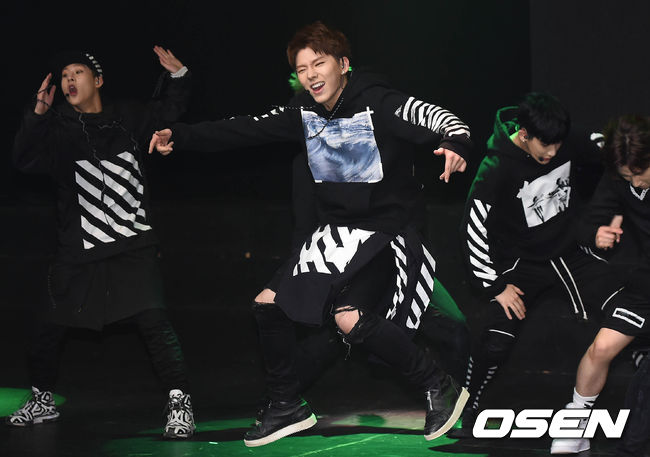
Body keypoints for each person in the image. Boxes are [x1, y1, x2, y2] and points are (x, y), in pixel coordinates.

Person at [150, 21, 472, 447]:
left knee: (351, 318)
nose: (311, 76)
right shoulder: (302, 113)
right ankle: (287, 404)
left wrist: (456, 142)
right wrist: (181, 135)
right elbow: (244, 128)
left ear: (343, 64)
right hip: (337, 234)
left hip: (387, 232)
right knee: (269, 304)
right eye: (302, 69)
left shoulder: (379, 100)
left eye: (318, 64)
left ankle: (438, 385)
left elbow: (436, 116)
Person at [8, 47, 195, 439]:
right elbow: (23, 158)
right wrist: (37, 114)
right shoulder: (58, 129)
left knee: (154, 323)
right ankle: (42, 398)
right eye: (64, 75)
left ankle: (179, 402)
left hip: (133, 244)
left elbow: (168, 112)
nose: (69, 80)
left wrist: (178, 76)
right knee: (47, 327)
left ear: (98, 80)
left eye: (77, 72)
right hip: (79, 251)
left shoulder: (128, 117)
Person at [450, 93, 628, 441]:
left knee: (628, 310)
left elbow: (618, 151)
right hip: (522, 263)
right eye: (545, 146)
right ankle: (468, 406)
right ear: (524, 134)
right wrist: (496, 286)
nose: (552, 153)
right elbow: (471, 228)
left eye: (558, 145)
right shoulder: (495, 168)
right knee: (496, 338)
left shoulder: (564, 139)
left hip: (571, 251)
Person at [550, 115, 650, 455]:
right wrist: (596, 234)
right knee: (601, 349)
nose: (636, 182)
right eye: (628, 176)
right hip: (645, 284)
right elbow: (586, 224)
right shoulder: (619, 178)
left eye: (640, 173)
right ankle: (576, 427)